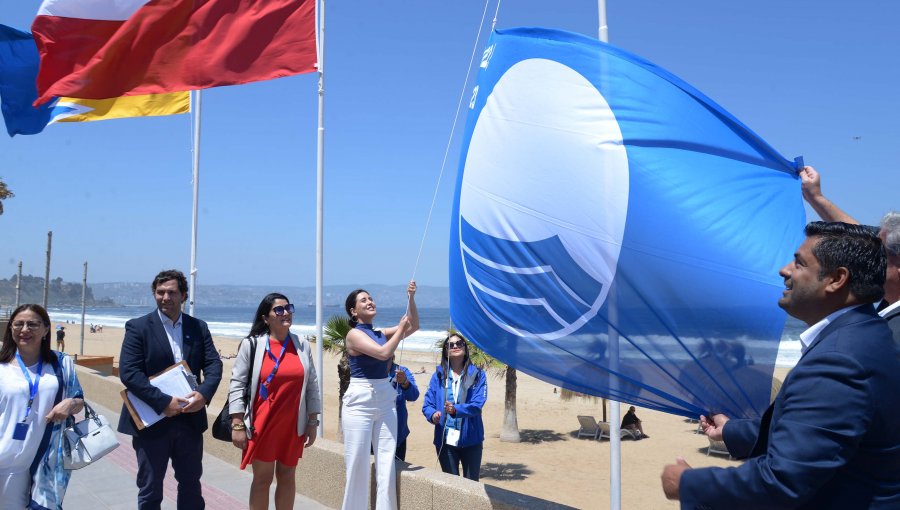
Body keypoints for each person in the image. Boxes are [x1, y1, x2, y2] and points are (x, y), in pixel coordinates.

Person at [662, 222, 900, 509]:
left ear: (837, 279)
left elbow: (783, 480)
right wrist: (730, 430)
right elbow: (816, 433)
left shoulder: (839, 361)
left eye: (799, 263)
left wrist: (688, 484)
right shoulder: (869, 333)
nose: (785, 270)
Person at [117, 270, 223, 509]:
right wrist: (164, 402)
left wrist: (204, 394)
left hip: (189, 420)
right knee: (150, 489)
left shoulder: (199, 327)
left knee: (191, 486)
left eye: (172, 292)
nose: (166, 297)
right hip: (152, 421)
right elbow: (129, 373)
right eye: (160, 292)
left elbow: (213, 364)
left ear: (183, 295)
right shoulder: (138, 327)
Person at [227, 293, 322, 510]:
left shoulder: (302, 345)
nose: (286, 312)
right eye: (279, 309)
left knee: (288, 476)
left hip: (293, 424)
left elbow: (312, 386)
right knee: (263, 479)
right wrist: (237, 423)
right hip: (263, 422)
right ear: (266, 318)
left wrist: (313, 421)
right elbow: (237, 385)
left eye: (288, 307)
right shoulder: (252, 345)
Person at [341, 282, 419, 510]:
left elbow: (413, 326)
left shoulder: (379, 332)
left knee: (386, 463)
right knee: (357, 464)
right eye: (363, 300)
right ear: (353, 311)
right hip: (360, 400)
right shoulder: (354, 334)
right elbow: (384, 353)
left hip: (385, 398)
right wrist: (400, 329)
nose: (369, 302)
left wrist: (411, 298)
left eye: (370, 298)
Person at [801, 166, 900, 344]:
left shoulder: (892, 337)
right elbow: (857, 236)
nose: (867, 256)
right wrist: (815, 197)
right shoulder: (891, 309)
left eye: (878, 253)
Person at [0, 304, 84, 509]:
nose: (24, 329)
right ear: (11, 328)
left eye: (33, 324)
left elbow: (79, 400)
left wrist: (70, 403)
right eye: (18, 324)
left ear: (46, 329)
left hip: (38, 462)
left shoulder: (60, 364)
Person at [422, 333, 487, 481]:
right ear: (446, 351)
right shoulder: (438, 376)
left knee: (471, 485)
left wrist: (456, 410)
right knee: (451, 485)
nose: (456, 346)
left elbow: (477, 404)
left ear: (465, 348)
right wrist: (433, 415)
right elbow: (427, 404)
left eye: (460, 343)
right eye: (451, 345)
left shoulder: (477, 374)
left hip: (471, 440)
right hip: (445, 441)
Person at [389, 358, 419, 461]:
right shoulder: (371, 370)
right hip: (372, 435)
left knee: (396, 471)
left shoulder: (402, 370)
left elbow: (414, 396)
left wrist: (405, 382)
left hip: (398, 436)